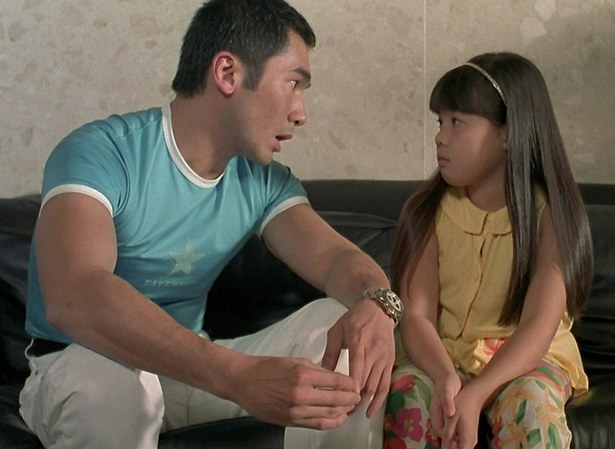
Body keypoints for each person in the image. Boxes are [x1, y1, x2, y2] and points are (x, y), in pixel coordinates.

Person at [18, 1, 402, 448]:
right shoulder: (101, 152)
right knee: (108, 387)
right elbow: (75, 293)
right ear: (227, 73)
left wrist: (377, 303)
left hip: (193, 373)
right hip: (85, 364)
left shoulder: (262, 180)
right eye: (293, 83)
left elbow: (337, 259)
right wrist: (235, 376)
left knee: (344, 322)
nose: (301, 113)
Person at [383, 52, 594, 449]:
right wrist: (446, 378)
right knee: (406, 397)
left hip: (524, 361)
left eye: (457, 122)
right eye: (440, 121)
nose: (440, 136)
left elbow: (537, 327)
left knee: (531, 407)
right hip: (440, 357)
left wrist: (478, 392)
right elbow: (417, 317)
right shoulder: (425, 210)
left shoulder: (551, 216)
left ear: (508, 134)